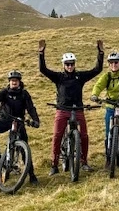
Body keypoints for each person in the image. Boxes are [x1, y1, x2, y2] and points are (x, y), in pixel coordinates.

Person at [39, 38, 104, 175]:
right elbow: (43, 70)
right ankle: (54, 165)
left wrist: (101, 53)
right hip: (62, 110)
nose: (70, 66)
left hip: (78, 110)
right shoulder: (58, 77)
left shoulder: (80, 76)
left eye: (72, 64)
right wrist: (41, 54)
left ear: (75, 64)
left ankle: (84, 162)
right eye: (67, 64)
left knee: (84, 136)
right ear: (63, 64)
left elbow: (97, 70)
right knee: (57, 136)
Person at [0, 70, 41, 185]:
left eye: (16, 80)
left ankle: (32, 175)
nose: (14, 82)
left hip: (19, 121)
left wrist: (36, 120)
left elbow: (31, 108)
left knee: (25, 149)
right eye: (12, 80)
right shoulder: (4, 92)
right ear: (9, 82)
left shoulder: (24, 94)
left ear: (19, 82)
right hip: (5, 119)